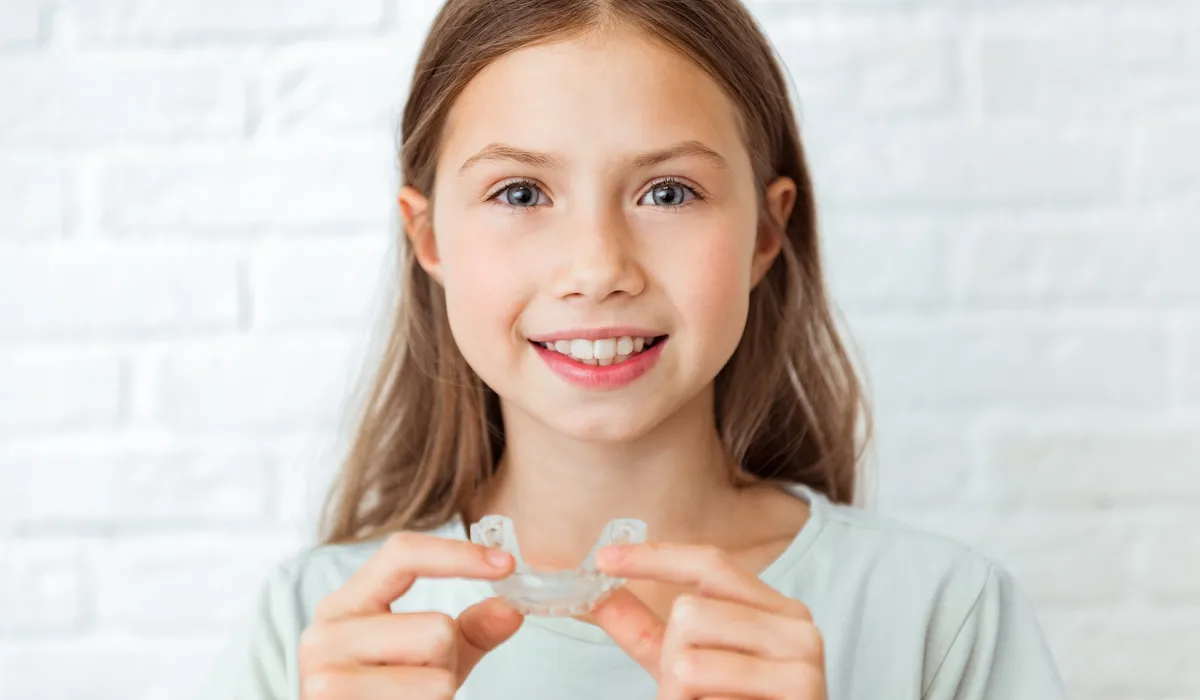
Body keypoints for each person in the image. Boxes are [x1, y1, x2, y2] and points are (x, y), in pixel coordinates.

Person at [196, 0, 1068, 698]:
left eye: (667, 191)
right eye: (520, 190)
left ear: (767, 233)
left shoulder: (942, 617)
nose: (597, 268)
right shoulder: (314, 632)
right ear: (429, 241)